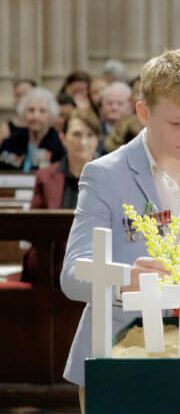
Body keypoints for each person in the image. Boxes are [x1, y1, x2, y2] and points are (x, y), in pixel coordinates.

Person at [60, 49, 180, 394]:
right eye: (176, 123)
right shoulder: (105, 174)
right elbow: (71, 276)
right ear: (143, 112)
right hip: (120, 348)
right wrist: (128, 278)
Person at [21, 108, 102, 284]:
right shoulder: (45, 176)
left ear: (97, 140)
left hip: (97, 260)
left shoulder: (109, 176)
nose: (83, 142)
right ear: (63, 138)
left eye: (90, 135)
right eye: (77, 134)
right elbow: (33, 226)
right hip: (53, 261)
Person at [0, 87, 66, 171]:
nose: (36, 116)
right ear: (23, 114)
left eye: (42, 111)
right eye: (31, 110)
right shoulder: (11, 142)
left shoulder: (59, 144)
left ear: (51, 115)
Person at [97, 82, 133, 149]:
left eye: (120, 103)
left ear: (129, 106)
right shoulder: (95, 130)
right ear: (102, 106)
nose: (114, 107)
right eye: (110, 103)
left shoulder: (137, 133)